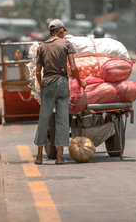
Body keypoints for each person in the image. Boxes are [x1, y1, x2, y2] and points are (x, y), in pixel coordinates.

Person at [34, 19, 86, 165]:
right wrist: (81, 81)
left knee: (44, 119)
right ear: (61, 30)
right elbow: (74, 68)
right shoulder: (66, 44)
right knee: (62, 120)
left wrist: (41, 85)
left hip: (47, 83)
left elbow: (38, 71)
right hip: (62, 83)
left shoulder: (42, 46)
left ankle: (39, 157)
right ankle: (59, 157)